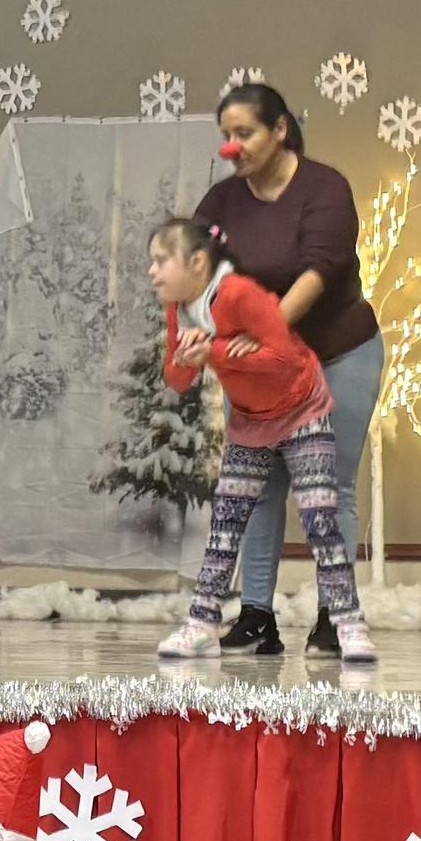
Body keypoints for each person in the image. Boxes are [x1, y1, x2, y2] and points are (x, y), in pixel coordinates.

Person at [196, 83, 383, 657]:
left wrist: (264, 338)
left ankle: (333, 617)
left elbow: (318, 272)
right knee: (260, 488)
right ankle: (257, 617)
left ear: (280, 130)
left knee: (328, 490)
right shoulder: (223, 203)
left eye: (244, 133)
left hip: (337, 355)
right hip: (258, 370)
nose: (233, 147)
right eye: (225, 135)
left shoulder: (324, 189)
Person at [149, 218, 375, 665]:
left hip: (301, 412)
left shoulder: (238, 295)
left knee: (319, 519)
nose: (152, 272)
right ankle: (201, 625)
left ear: (197, 262)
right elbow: (177, 379)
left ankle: (348, 625)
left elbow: (283, 357)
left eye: (161, 261)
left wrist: (212, 350)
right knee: (226, 523)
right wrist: (187, 354)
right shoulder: (180, 307)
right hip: (252, 421)